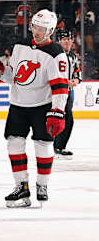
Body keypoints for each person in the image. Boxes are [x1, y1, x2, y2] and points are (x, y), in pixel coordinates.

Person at [0, 9, 69, 207]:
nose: (37, 32)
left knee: (43, 144)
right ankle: (21, 186)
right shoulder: (20, 45)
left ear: (51, 30)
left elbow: (60, 87)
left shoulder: (56, 54)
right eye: (35, 27)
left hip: (42, 106)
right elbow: (13, 77)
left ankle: (42, 185)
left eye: (42, 29)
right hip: (18, 105)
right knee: (13, 143)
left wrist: (57, 112)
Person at [54, 30, 81, 158]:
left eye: (69, 39)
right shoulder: (54, 55)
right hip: (55, 93)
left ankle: (59, 147)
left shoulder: (73, 57)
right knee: (57, 119)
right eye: (64, 39)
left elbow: (77, 72)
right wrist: (65, 82)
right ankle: (54, 147)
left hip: (68, 93)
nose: (67, 41)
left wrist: (75, 80)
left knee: (68, 120)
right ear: (59, 41)